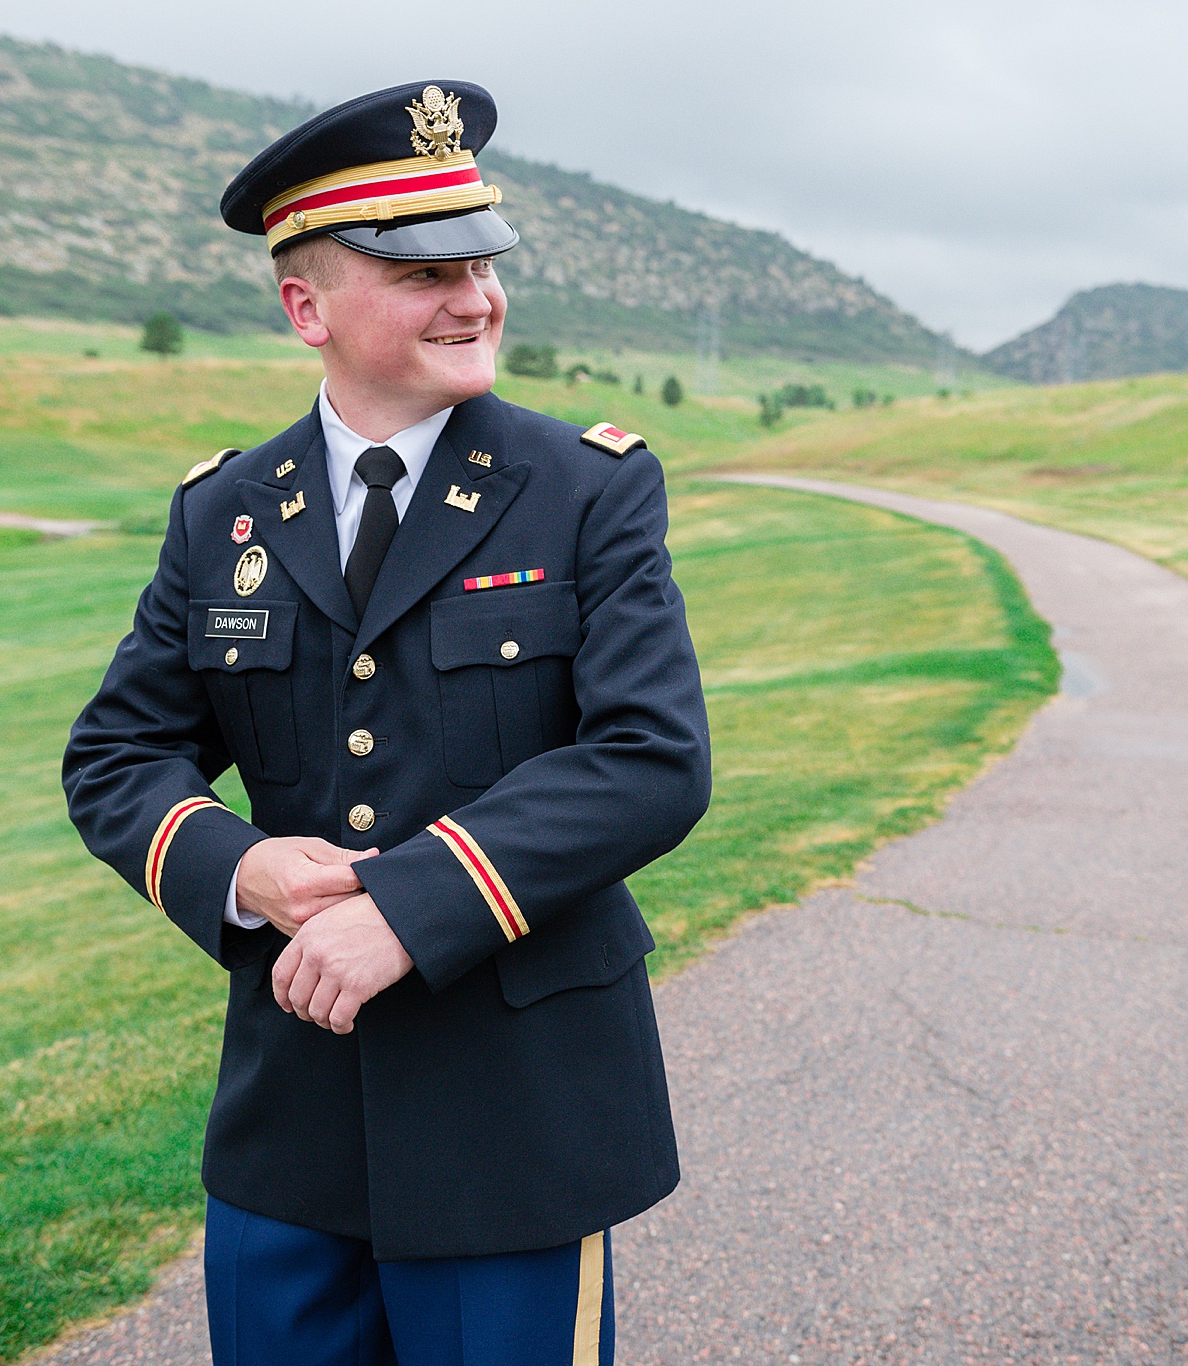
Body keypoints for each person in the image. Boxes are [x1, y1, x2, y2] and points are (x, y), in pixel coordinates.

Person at [63, 79, 710, 1366]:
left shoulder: (584, 489)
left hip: (513, 1118)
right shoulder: (225, 513)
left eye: (482, 259)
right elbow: (118, 756)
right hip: (290, 1114)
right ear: (305, 305)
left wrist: (408, 908)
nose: (474, 296)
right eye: (422, 269)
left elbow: (649, 759)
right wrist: (235, 861)